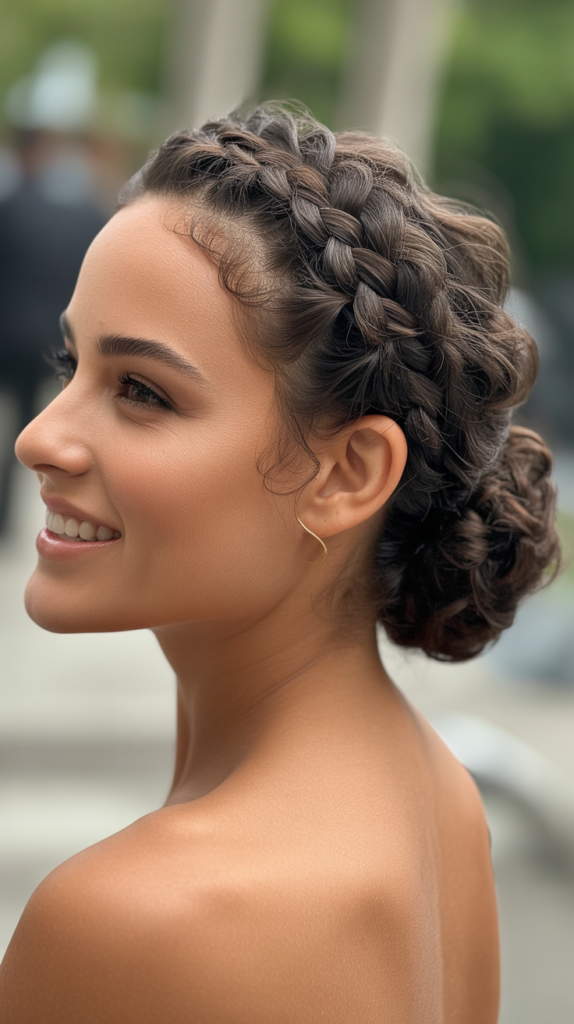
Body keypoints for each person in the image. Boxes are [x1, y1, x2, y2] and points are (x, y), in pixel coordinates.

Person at [0, 105, 559, 1023]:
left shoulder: (135, 921)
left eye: (142, 391)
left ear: (347, 473)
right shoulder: (437, 797)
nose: (38, 438)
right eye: (73, 365)